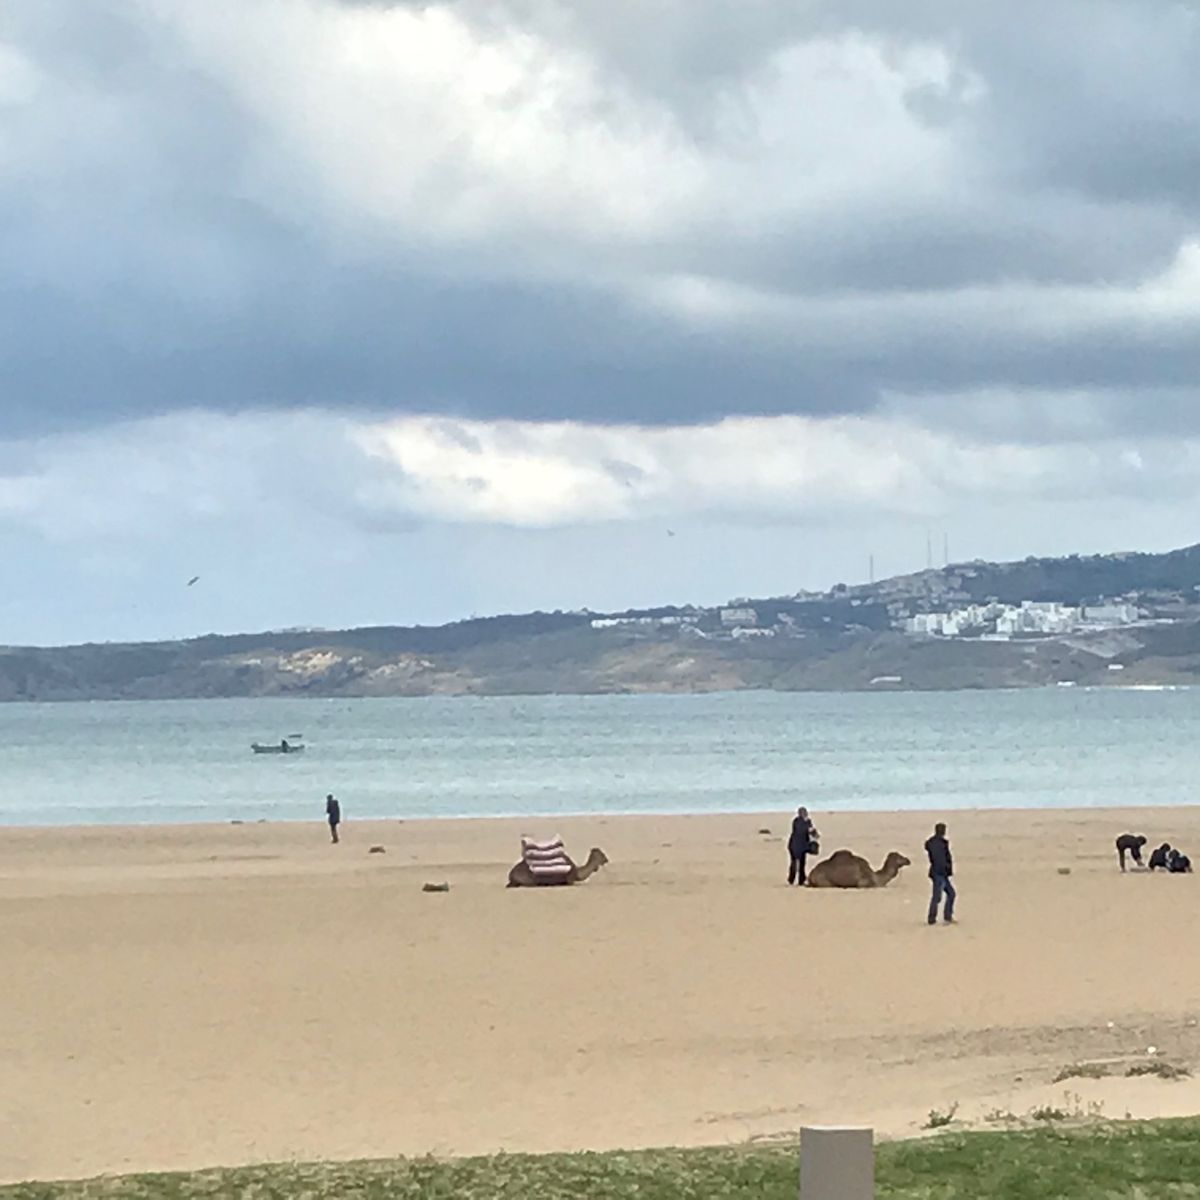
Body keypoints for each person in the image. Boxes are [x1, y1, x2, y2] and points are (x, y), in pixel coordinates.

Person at [925, 822, 956, 925]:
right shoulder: (939, 844)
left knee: (950, 894)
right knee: (937, 896)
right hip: (939, 872)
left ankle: (946, 916)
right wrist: (946, 868)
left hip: (939, 872)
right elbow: (940, 859)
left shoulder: (934, 843)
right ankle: (932, 918)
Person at [787, 806, 819, 886]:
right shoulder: (796, 821)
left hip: (803, 845)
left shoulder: (808, 822)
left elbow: (812, 832)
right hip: (795, 845)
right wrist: (809, 829)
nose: (805, 815)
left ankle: (801, 879)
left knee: (802, 863)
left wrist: (815, 834)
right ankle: (791, 879)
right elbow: (800, 830)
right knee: (794, 863)